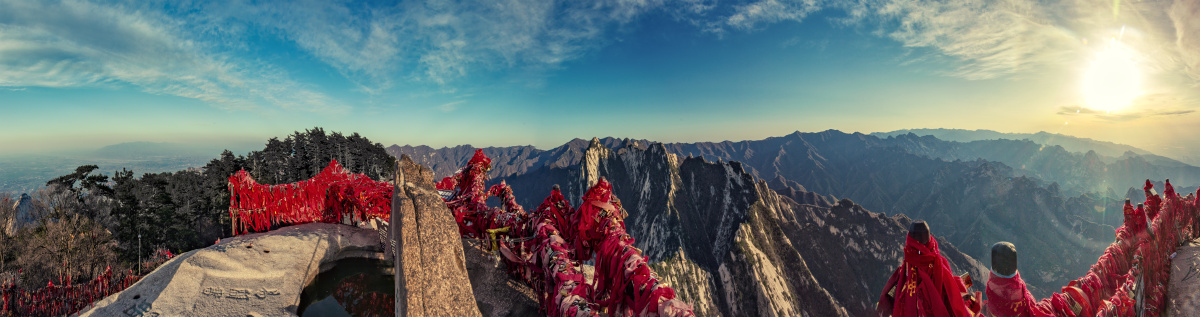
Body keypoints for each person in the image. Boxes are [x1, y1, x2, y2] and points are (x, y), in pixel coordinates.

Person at [878, 222, 980, 317]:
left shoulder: (904, 274)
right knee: (961, 282)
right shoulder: (940, 263)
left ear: (909, 242)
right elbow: (950, 289)